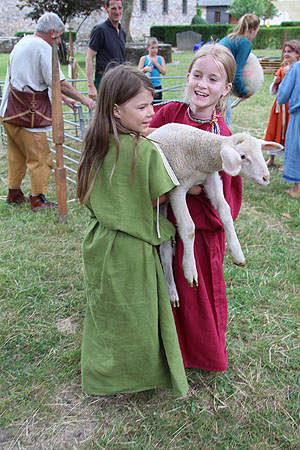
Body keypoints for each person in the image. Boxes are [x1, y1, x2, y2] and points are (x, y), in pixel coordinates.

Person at [76, 65, 188, 397]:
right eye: (141, 107)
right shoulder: (145, 151)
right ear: (116, 109)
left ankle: (103, 374)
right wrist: (188, 188)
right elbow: (157, 196)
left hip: (99, 245)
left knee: (106, 314)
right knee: (138, 313)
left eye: (151, 105)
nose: (150, 113)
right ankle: (139, 375)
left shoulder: (94, 144)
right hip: (133, 250)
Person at [149, 43, 243, 372]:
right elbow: (145, 145)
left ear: (226, 89)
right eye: (197, 75)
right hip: (164, 223)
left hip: (201, 232)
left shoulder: (223, 137)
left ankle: (201, 354)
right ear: (187, 77)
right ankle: (169, 350)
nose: (202, 85)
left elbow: (227, 190)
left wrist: (198, 187)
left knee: (198, 290)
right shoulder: (168, 115)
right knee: (166, 285)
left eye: (213, 79)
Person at [0, 12, 95, 212]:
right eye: (59, 36)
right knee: (41, 157)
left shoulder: (23, 43)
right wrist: (85, 99)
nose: (59, 40)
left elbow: (36, 79)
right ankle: (37, 200)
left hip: (9, 112)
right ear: (52, 33)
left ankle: (14, 193)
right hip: (28, 115)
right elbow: (58, 82)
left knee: (16, 154)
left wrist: (65, 100)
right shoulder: (43, 47)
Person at [219, 13, 260, 125]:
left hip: (213, 79)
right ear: (252, 30)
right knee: (223, 122)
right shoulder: (244, 43)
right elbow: (236, 72)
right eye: (256, 32)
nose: (255, 35)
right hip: (221, 83)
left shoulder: (230, 38)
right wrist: (243, 92)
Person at [265, 40, 300, 168]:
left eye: (289, 51)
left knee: (288, 132)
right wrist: (276, 82)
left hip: (292, 105)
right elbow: (274, 90)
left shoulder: (297, 69)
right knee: (274, 128)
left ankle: (288, 161)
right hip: (280, 107)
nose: (286, 54)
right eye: (285, 51)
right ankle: (271, 157)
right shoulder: (282, 68)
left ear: (298, 54)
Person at [86, 0, 126, 100]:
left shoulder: (122, 32)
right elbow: (89, 57)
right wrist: (91, 86)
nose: (117, 12)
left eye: (119, 8)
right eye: (113, 8)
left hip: (120, 81)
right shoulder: (100, 30)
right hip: (105, 81)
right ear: (106, 9)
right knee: (105, 115)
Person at [277, 60, 300, 198]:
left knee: (296, 146)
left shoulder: (297, 67)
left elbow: (284, 92)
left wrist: (281, 98)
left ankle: (297, 188)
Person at [138, 37, 166, 102]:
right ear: (148, 48)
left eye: (156, 48)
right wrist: (145, 69)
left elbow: (164, 72)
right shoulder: (143, 59)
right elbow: (138, 72)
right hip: (146, 86)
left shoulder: (160, 59)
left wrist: (156, 63)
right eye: (152, 48)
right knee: (147, 103)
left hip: (157, 85)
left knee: (158, 104)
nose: (154, 50)